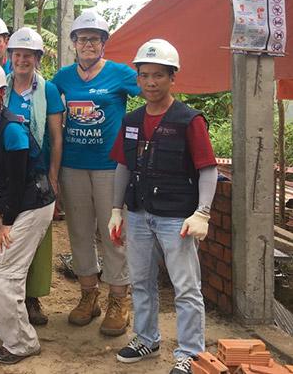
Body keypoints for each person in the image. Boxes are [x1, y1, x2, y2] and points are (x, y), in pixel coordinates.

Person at [108, 39, 217, 374]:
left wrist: (203, 212)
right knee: (141, 280)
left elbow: (207, 168)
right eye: (144, 75)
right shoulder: (131, 120)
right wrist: (116, 210)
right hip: (139, 214)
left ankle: (190, 353)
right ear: (137, 79)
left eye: (158, 75)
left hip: (177, 219)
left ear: (173, 78)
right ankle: (146, 337)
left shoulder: (189, 120)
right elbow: (124, 166)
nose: (151, 82)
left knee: (186, 287)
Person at [51, 9, 137, 336]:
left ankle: (119, 299)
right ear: (73, 43)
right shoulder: (62, 78)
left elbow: (151, 96)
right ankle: (88, 295)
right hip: (73, 166)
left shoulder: (120, 74)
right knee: (80, 232)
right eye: (82, 38)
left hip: (110, 167)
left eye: (94, 38)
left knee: (113, 233)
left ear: (104, 43)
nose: (88, 44)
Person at [0, 59, 56, 365]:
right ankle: (1, 326)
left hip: (32, 205)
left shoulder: (12, 129)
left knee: (2, 273)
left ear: (2, 94)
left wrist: (5, 220)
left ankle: (21, 342)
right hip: (8, 206)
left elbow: (19, 182)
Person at [3, 27, 64, 326]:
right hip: (7, 175)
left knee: (37, 240)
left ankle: (32, 298)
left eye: (29, 55)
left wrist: (54, 174)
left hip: (38, 176)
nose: (22, 60)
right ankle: (6, 296)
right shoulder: (0, 87)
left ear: (38, 58)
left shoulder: (48, 90)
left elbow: (55, 133)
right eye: (17, 54)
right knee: (8, 232)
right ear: (10, 57)